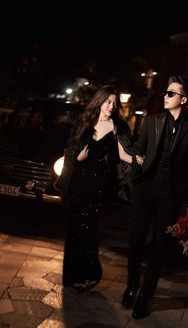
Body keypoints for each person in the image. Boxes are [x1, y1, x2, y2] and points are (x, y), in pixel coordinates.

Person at [121, 75, 188, 319]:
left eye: (171, 93)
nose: (165, 96)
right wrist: (137, 163)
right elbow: (138, 150)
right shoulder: (152, 121)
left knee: (160, 247)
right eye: (166, 92)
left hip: (172, 195)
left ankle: (144, 297)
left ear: (184, 99)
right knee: (135, 241)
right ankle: (131, 285)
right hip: (146, 189)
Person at [55, 85, 142, 292]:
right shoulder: (85, 123)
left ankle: (90, 273)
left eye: (114, 103)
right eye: (108, 101)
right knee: (74, 228)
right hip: (78, 181)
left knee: (89, 229)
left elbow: (122, 154)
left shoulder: (117, 126)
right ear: (100, 101)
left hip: (98, 184)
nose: (111, 106)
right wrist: (79, 158)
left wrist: (137, 160)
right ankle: (71, 276)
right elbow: (71, 151)